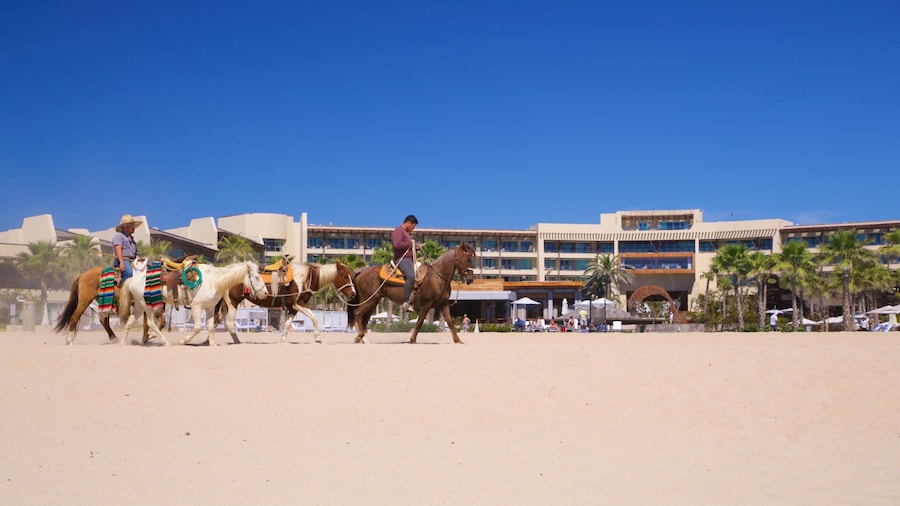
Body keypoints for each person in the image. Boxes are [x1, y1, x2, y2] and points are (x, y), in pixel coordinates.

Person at [392, 214, 421, 312]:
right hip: (402, 259)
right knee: (411, 276)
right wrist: (410, 243)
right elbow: (396, 245)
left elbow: (406, 247)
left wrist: (415, 248)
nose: (413, 229)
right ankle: (406, 301)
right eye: (413, 226)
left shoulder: (406, 233)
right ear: (409, 223)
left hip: (410, 260)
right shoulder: (398, 231)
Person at [113, 214, 142, 283]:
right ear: (126, 226)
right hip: (123, 260)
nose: (134, 227)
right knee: (129, 272)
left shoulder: (132, 239)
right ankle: (123, 291)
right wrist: (122, 262)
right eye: (132, 225)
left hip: (133, 260)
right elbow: (118, 249)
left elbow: (135, 254)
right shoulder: (119, 236)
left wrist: (141, 261)